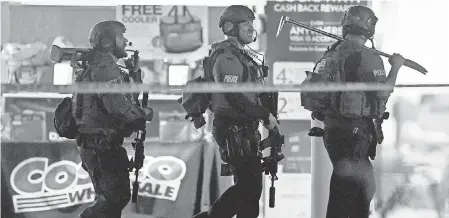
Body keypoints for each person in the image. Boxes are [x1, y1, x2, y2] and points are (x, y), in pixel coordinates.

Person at [302, 5, 405, 218]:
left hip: (332, 129)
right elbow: (382, 93)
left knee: (361, 189)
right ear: (368, 29)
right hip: (354, 131)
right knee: (345, 194)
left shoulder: (332, 53)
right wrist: (396, 66)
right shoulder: (368, 56)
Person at [193, 5, 279, 218]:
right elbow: (233, 95)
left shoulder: (243, 55)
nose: (251, 28)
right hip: (232, 127)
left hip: (244, 128)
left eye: (252, 23)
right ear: (231, 27)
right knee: (248, 186)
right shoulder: (227, 56)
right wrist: (264, 115)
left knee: (251, 194)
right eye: (246, 23)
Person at [73, 20, 153, 218]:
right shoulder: (105, 67)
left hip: (98, 143)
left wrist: (133, 76)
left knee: (110, 204)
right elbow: (117, 106)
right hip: (102, 145)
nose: (126, 41)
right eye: (121, 36)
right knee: (115, 198)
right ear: (108, 41)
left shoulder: (99, 66)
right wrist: (143, 114)